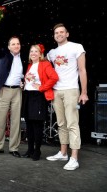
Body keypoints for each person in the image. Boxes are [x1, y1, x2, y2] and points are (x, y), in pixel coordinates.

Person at [46, 23, 89, 170]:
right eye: (56, 33)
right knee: (61, 123)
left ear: (67, 33)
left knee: (72, 123)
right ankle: (63, 153)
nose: (59, 34)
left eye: (61, 32)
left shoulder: (77, 47)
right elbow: (43, 69)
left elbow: (82, 70)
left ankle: (74, 158)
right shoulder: (51, 53)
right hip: (56, 91)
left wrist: (84, 92)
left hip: (71, 90)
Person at [0, 19, 25, 157]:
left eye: (18, 44)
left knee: (16, 121)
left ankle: (14, 148)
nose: (16, 46)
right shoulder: (3, 54)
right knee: (0, 120)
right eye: (13, 44)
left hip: (17, 92)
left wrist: (23, 82)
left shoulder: (24, 58)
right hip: (3, 90)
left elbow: (25, 75)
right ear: (9, 47)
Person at [21, 44, 59, 161]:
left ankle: (37, 150)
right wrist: (23, 84)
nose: (33, 53)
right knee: (29, 125)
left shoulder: (45, 64)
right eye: (31, 51)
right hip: (27, 96)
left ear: (40, 53)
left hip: (38, 97)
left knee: (37, 126)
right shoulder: (29, 65)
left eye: (36, 51)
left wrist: (42, 87)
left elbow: (54, 77)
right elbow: (30, 81)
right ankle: (30, 150)